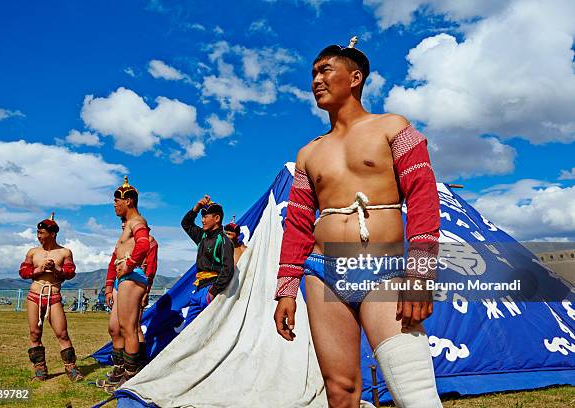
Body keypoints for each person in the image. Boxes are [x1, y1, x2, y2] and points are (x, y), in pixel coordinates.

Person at [273, 37, 442, 407]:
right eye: (313, 73)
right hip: (321, 274)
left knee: (415, 394)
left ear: (354, 77)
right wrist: (286, 290)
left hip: (384, 267)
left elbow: (423, 199)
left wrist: (421, 275)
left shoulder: (393, 127)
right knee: (340, 390)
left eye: (324, 70)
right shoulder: (308, 153)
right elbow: (298, 226)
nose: (315, 79)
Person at [102, 176, 154, 387]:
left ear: (129, 201)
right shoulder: (128, 226)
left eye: (117, 201)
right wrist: (109, 285)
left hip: (132, 277)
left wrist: (130, 263)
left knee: (128, 328)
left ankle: (131, 377)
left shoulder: (137, 222)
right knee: (115, 327)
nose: (114, 205)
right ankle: (121, 368)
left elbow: (144, 246)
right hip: (123, 278)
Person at [18, 213, 84, 382]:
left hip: (53, 295)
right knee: (34, 333)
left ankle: (71, 369)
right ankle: (40, 370)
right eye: (38, 233)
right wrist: (37, 270)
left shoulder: (64, 252)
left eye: (42, 233)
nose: (39, 236)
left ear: (52, 233)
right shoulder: (33, 252)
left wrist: (56, 269)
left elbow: (70, 273)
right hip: (34, 295)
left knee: (62, 333)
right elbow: (23, 272)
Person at [180, 196, 234, 328]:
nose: (202, 220)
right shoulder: (202, 236)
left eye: (206, 217)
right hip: (198, 289)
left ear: (217, 219)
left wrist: (213, 291)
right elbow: (186, 224)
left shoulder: (224, 240)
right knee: (188, 331)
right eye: (202, 217)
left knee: (208, 330)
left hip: (211, 290)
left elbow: (228, 269)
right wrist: (196, 208)